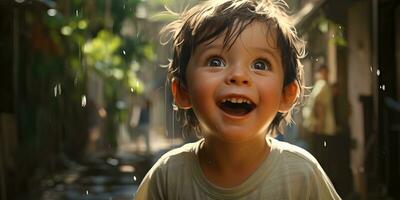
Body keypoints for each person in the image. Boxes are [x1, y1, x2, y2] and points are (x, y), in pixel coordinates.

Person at [135, 0, 341, 199]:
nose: (239, 76)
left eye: (260, 65)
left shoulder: (302, 175)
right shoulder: (167, 177)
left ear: (286, 95)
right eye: (215, 61)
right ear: (182, 91)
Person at [302, 65, 338, 191]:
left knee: (322, 160)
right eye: (327, 72)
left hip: (320, 129)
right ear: (323, 72)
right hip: (322, 130)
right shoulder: (323, 84)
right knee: (323, 161)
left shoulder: (319, 84)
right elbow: (320, 106)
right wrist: (320, 126)